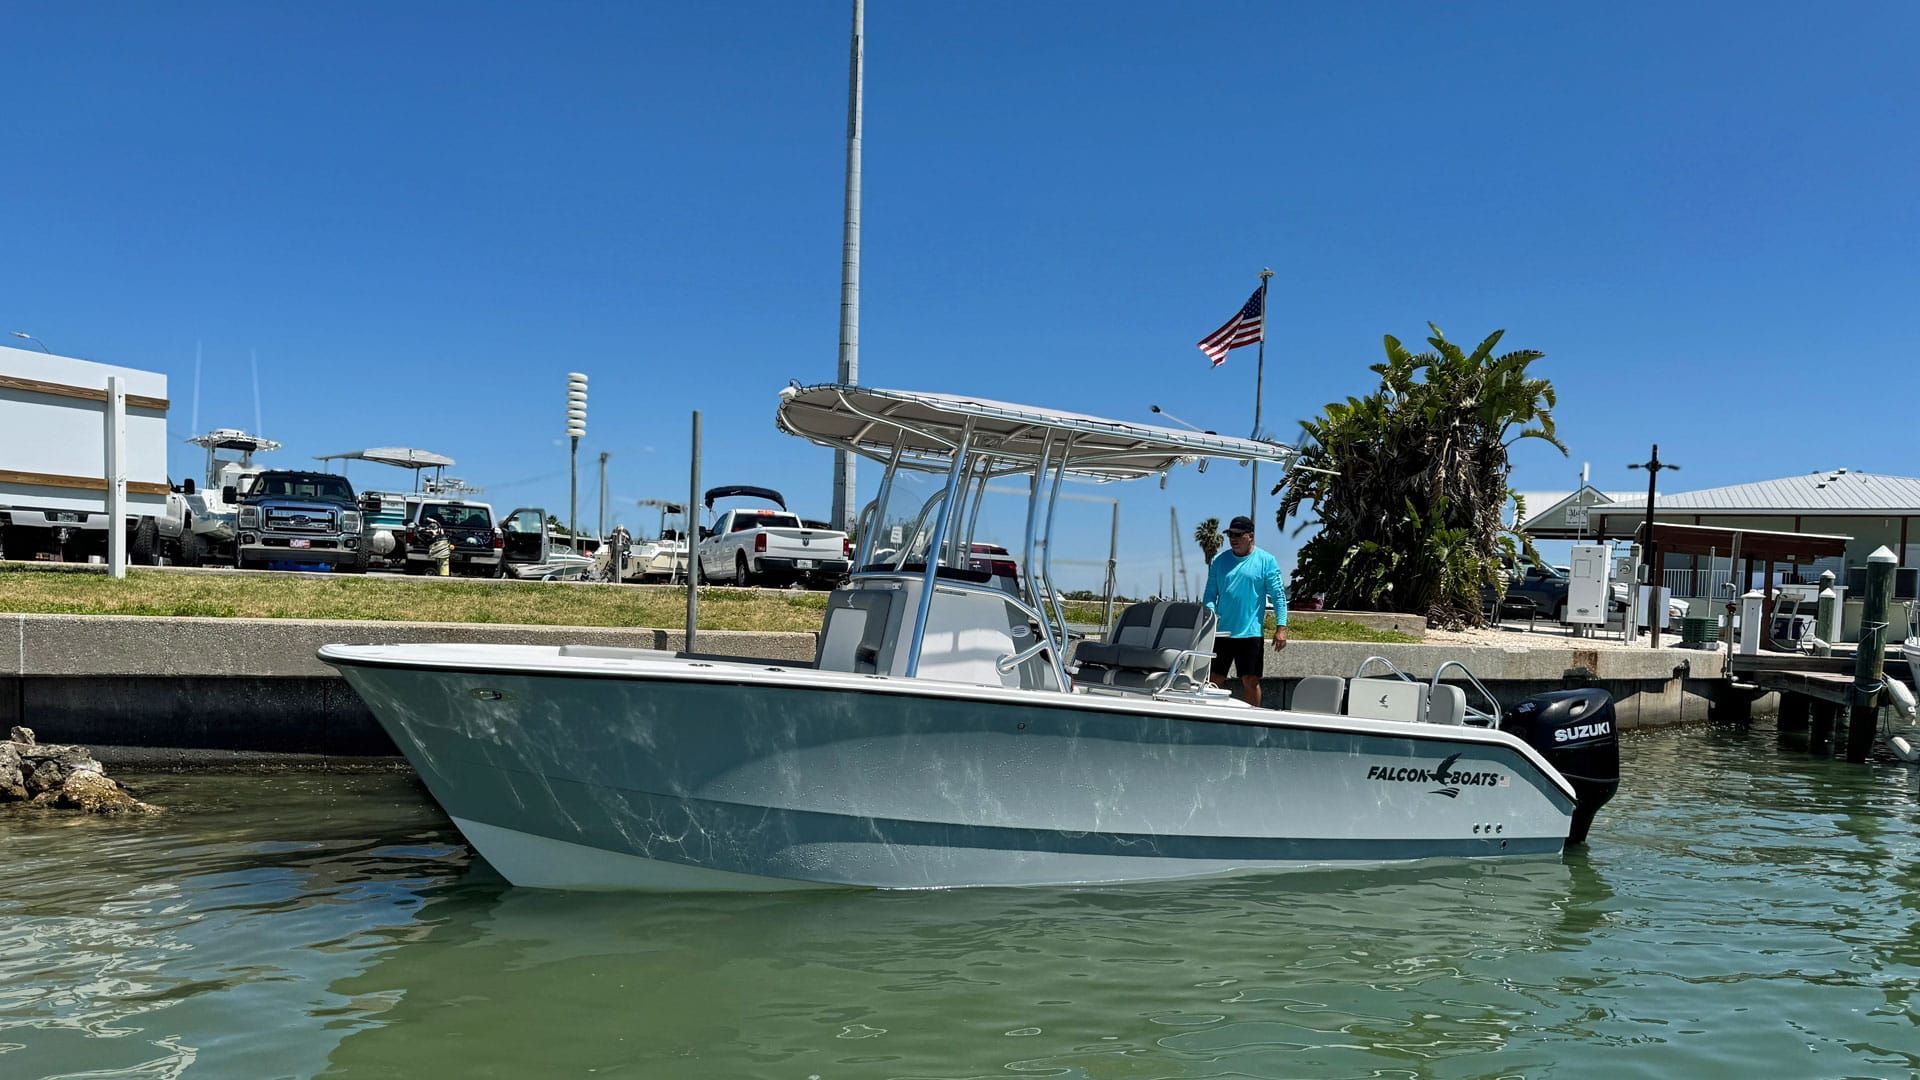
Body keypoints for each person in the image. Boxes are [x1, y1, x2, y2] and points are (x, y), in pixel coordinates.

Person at [1200, 515, 1287, 706]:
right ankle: (1215, 719)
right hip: (1221, 632)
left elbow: (1279, 596)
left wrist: (1281, 627)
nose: (1234, 539)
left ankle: (1253, 723)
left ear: (1251, 536)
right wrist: (1211, 615)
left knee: (1250, 681)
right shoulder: (1218, 561)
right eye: (1231, 534)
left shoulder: (1267, 561)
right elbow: (1209, 596)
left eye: (1239, 535)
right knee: (1213, 680)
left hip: (1250, 633)